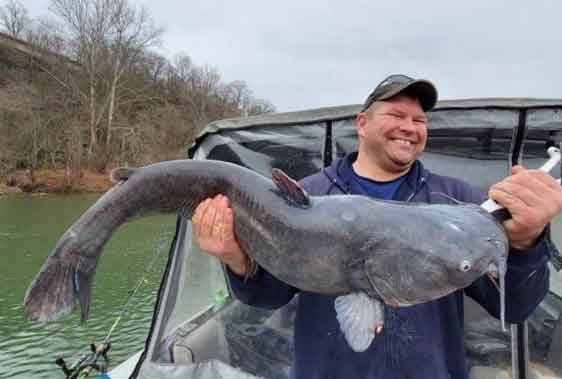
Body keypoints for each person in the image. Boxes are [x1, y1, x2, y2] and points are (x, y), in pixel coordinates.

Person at [191, 74, 562, 379]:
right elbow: (269, 297)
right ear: (362, 123)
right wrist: (236, 259)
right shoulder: (305, 196)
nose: (410, 127)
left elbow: (513, 308)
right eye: (396, 115)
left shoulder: (458, 202)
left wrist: (527, 241)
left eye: (419, 120)